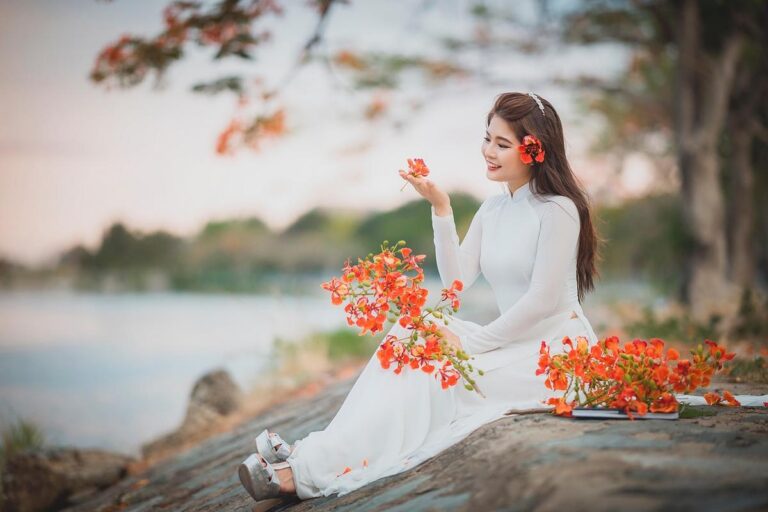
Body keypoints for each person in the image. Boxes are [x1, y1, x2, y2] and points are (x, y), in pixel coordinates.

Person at [238, 91, 603, 506]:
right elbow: (457, 283)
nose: (488, 151)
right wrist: (441, 208)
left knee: (435, 380)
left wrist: (467, 344)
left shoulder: (559, 210)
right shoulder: (493, 210)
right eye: (487, 139)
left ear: (535, 149)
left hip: (554, 356)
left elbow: (543, 301)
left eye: (502, 144)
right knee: (413, 332)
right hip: (510, 344)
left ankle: (302, 475)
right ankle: (317, 452)